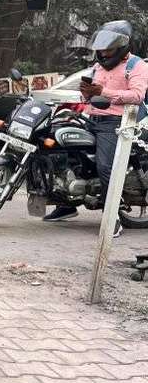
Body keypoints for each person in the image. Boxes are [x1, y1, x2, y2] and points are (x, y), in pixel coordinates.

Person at [43, 20, 148, 236]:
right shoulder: (97, 67)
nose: (104, 53)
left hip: (117, 124)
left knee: (105, 166)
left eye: (109, 49)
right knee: (62, 151)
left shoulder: (137, 66)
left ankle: (113, 219)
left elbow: (137, 96)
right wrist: (87, 92)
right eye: (102, 49)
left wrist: (104, 91)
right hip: (92, 119)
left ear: (121, 47)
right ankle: (67, 204)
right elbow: (87, 96)